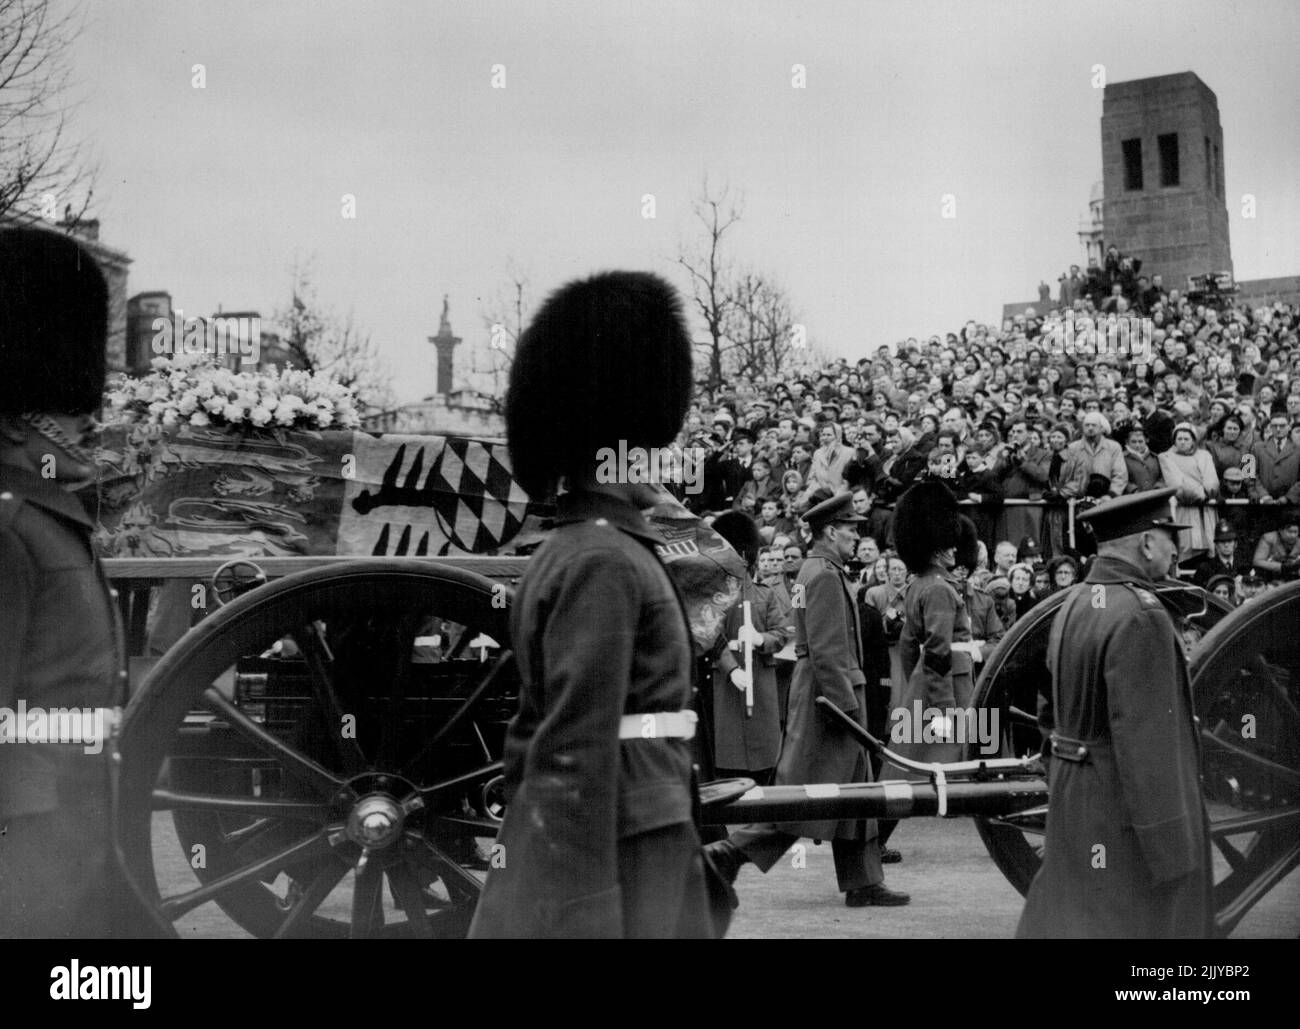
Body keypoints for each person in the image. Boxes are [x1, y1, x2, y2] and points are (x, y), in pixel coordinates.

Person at [469, 271, 713, 939]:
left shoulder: (592, 549)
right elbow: (572, 754)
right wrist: (585, 912)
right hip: (619, 854)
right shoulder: (602, 561)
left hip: (644, 831)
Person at [0, 226, 127, 937]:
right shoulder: (11, 529)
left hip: (75, 853)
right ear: (19, 423)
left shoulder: (47, 518)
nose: (90, 427)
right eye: (72, 416)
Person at [1018, 488, 1211, 938]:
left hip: (1072, 800)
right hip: (1121, 813)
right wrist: (1172, 848)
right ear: (1146, 543)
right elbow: (1149, 745)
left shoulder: (1075, 603)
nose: (1174, 549)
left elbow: (1049, 713)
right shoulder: (1142, 615)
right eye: (1169, 537)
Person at [706, 492, 910, 908]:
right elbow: (827, 648)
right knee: (805, 796)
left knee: (857, 790)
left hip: (822, 692)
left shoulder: (817, 571)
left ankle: (863, 881)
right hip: (828, 697)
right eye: (851, 529)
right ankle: (729, 853)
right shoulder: (822, 576)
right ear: (831, 531)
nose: (857, 536)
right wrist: (844, 706)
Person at [707, 512, 793, 783]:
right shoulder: (715, 596)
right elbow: (709, 635)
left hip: (759, 675)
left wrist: (759, 639)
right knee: (728, 754)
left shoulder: (765, 595)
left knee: (764, 755)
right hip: (727, 680)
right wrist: (731, 668)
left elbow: (780, 634)